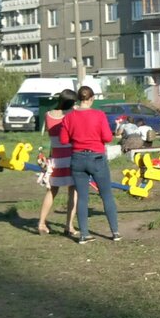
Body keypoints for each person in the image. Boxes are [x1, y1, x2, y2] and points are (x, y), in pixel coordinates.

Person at [60, 85, 121, 244]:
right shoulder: (99, 115)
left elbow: (64, 140)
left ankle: (84, 234)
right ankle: (115, 232)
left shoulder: (68, 117)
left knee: (82, 198)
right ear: (92, 99)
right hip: (97, 158)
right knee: (106, 195)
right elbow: (107, 138)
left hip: (78, 159)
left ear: (79, 99)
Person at [37, 89, 79, 237]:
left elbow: (48, 136)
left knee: (52, 190)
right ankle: (69, 226)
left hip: (55, 158)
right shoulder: (70, 116)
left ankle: (41, 223)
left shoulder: (47, 115)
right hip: (70, 156)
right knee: (73, 191)